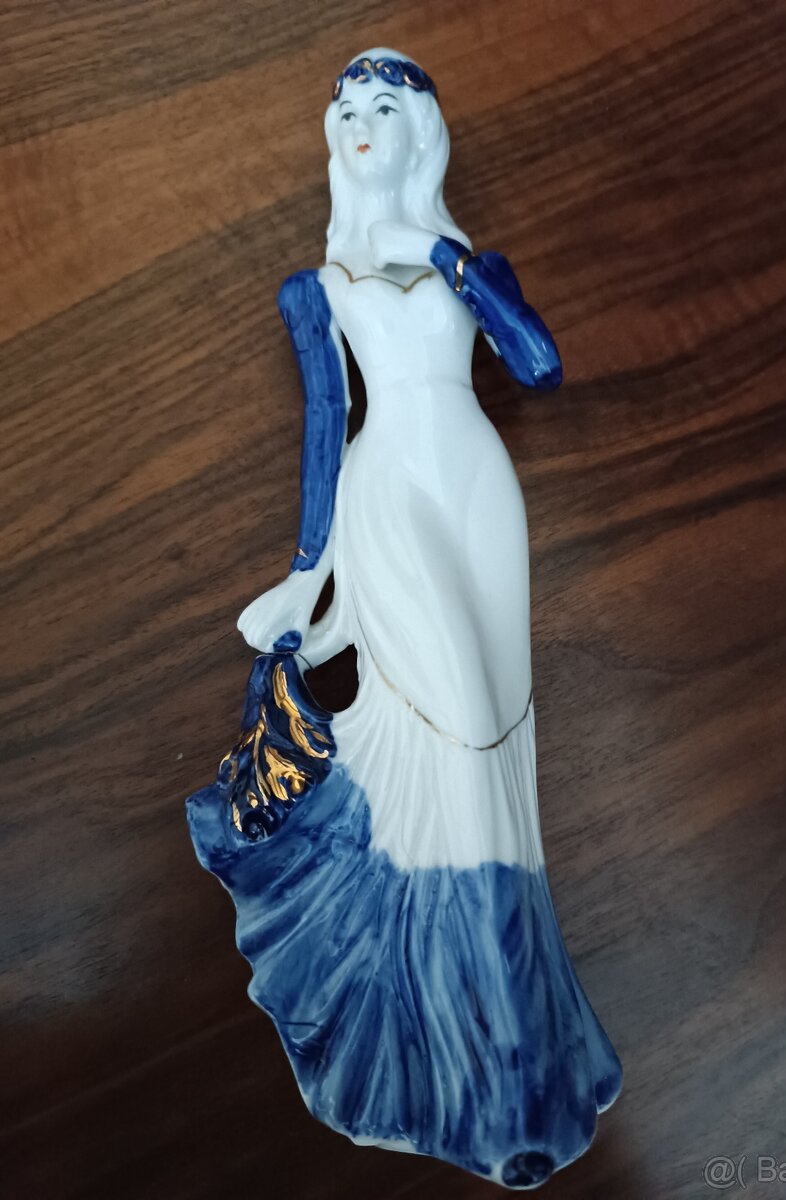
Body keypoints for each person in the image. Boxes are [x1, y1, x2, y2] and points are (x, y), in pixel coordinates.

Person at [186, 49, 622, 1189]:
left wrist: (436, 253)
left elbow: (538, 364)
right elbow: (326, 437)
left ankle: (515, 1038)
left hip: (479, 489)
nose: (360, 124)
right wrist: (306, 577)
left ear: (420, 131)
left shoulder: (466, 262)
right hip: (390, 502)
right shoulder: (316, 289)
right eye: (346, 110)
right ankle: (501, 1064)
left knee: (505, 746)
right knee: (462, 725)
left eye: (384, 106)